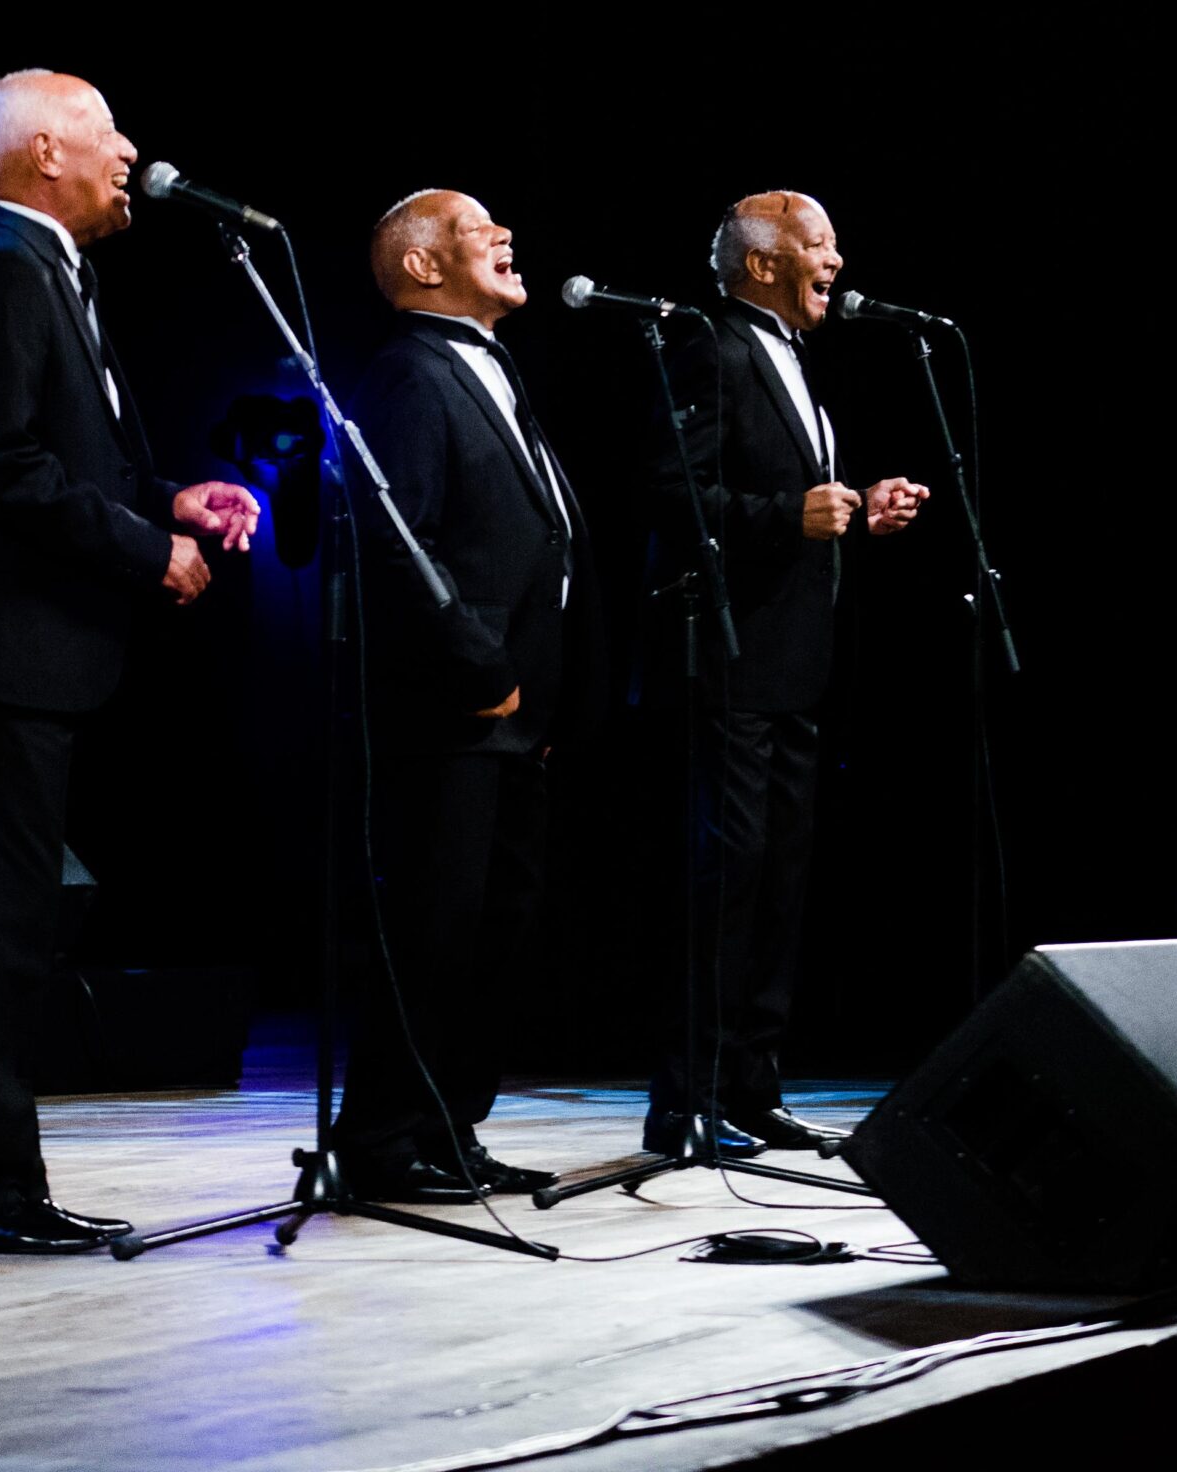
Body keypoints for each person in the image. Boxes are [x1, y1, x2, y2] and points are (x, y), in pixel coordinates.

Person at [0, 69, 260, 1255]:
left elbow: (65, 461)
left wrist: (172, 499)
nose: (129, 152)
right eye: (108, 132)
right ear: (46, 151)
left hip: (24, 662)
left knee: (13, 934)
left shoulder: (53, 270)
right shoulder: (5, 267)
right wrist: (141, 548)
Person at [332, 189, 602, 1203]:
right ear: (418, 266)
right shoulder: (409, 375)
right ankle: (387, 1140)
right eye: (475, 229)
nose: (503, 234)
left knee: (494, 934)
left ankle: (449, 1128)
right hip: (452, 715)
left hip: (516, 720)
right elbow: (403, 551)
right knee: (433, 933)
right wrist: (480, 675)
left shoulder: (491, 369)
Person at [644, 190, 926, 1153]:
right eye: (820, 244)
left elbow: (788, 494)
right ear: (763, 263)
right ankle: (689, 1100)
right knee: (727, 882)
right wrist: (786, 516)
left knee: (780, 882)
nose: (837, 260)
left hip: (794, 666)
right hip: (729, 666)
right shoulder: (710, 346)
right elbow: (673, 493)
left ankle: (753, 1087)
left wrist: (858, 508)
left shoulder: (793, 357)